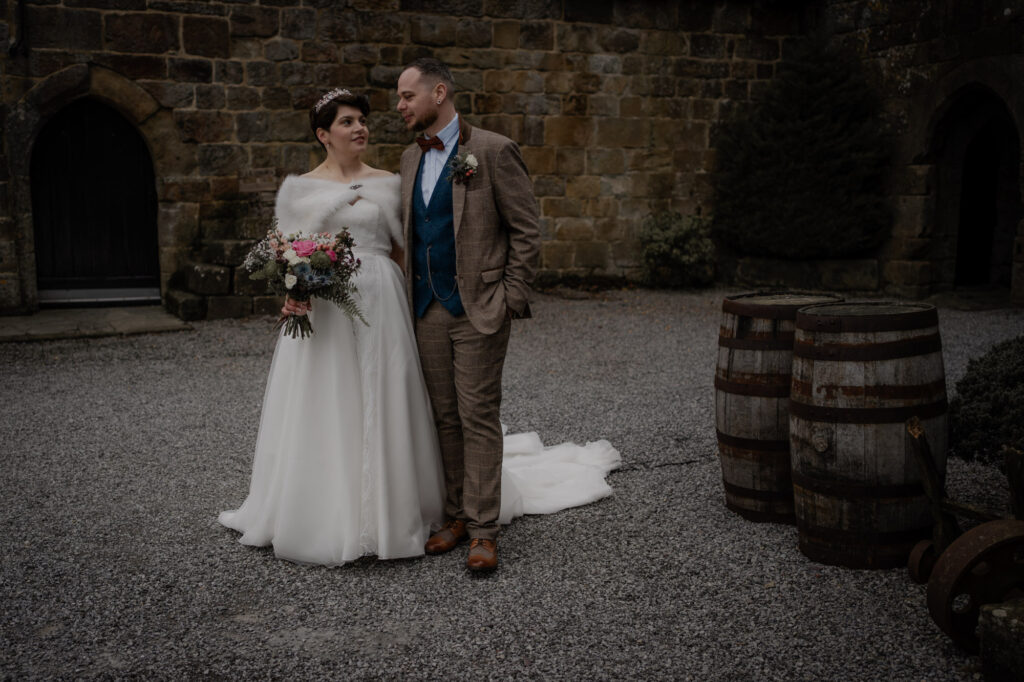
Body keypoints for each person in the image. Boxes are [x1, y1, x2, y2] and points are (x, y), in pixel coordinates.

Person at [219, 87, 621, 569]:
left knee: (397, 400)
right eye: (347, 122)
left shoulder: (391, 181)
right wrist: (293, 289)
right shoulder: (298, 189)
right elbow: (286, 254)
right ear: (324, 134)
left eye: (363, 119)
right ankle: (327, 512)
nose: (360, 127)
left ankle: (410, 509)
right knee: (329, 404)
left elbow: (402, 249)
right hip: (326, 310)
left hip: (385, 301)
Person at [397, 58, 539, 572]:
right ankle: (456, 516)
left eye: (407, 96)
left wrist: (510, 299)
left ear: (439, 93)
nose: (400, 106)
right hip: (426, 309)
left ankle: (484, 530)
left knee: (479, 417)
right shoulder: (409, 160)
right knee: (444, 417)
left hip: (480, 308)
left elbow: (526, 231)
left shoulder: (494, 151)